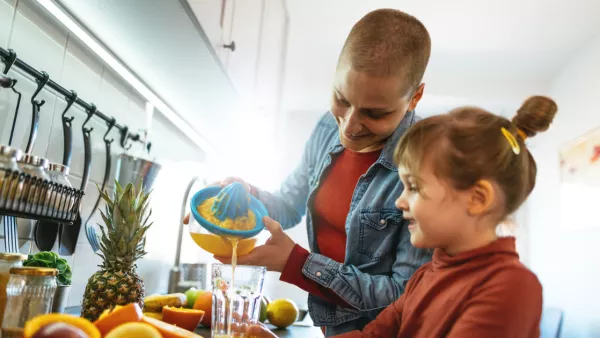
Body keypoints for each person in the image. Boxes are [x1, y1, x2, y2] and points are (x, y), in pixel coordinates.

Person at [185, 8, 434, 336]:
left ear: (414, 97)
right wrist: (248, 199)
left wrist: (297, 263)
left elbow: (404, 293)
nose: (349, 125)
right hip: (330, 326)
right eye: (342, 99)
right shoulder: (325, 130)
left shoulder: (427, 165)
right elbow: (288, 205)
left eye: (375, 113)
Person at [240, 95, 558, 338]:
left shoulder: (511, 288)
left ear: (477, 199)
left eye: (414, 187)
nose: (400, 201)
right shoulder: (426, 276)